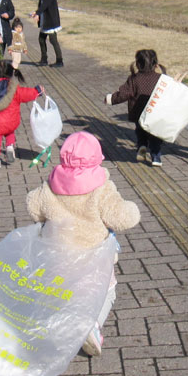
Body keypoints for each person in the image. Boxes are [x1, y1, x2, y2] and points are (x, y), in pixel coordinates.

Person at [26, 131, 140, 355]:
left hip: (57, 257)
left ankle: (59, 321)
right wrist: (134, 210)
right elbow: (122, 217)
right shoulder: (101, 187)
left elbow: (32, 207)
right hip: (93, 259)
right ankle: (90, 325)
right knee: (107, 291)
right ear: (98, 158)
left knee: (62, 292)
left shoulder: (50, 184)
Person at [0, 59, 44, 170]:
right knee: (9, 131)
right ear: (10, 73)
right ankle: (9, 147)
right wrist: (37, 91)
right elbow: (26, 94)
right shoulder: (13, 87)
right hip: (11, 121)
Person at [104, 49, 167, 167]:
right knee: (155, 136)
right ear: (156, 64)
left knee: (140, 131)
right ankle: (156, 156)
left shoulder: (134, 79)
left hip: (138, 113)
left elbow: (124, 94)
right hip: (155, 113)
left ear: (137, 64)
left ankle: (142, 146)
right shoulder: (161, 79)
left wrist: (111, 99)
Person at [29, 0, 63, 67]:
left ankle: (59, 60)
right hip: (45, 20)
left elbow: (46, 5)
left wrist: (38, 12)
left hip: (51, 21)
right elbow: (41, 6)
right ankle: (44, 59)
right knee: (41, 39)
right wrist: (37, 14)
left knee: (53, 40)